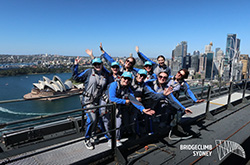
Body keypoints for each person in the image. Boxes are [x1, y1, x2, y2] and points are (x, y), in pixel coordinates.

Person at [106, 72, 156, 146]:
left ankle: (116, 139)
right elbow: (112, 98)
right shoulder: (114, 85)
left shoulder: (128, 89)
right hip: (105, 104)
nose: (126, 80)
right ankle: (109, 139)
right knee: (106, 122)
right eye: (125, 78)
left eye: (128, 79)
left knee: (118, 122)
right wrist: (124, 101)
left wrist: (143, 109)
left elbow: (133, 100)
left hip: (116, 105)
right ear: (121, 78)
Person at [72, 56, 111, 150]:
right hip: (88, 100)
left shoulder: (105, 74)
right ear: (93, 65)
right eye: (95, 64)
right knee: (92, 119)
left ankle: (93, 134)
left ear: (102, 65)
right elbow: (76, 77)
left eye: (99, 64)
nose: (97, 66)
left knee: (97, 118)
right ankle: (87, 138)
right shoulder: (89, 72)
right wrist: (75, 65)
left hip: (98, 100)